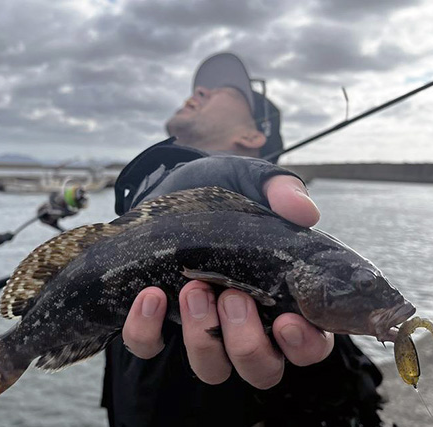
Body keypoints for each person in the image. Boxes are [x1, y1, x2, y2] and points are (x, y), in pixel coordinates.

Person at [102, 53, 384, 427]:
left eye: (227, 91)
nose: (198, 90)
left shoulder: (288, 248)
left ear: (252, 136)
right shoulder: (150, 200)